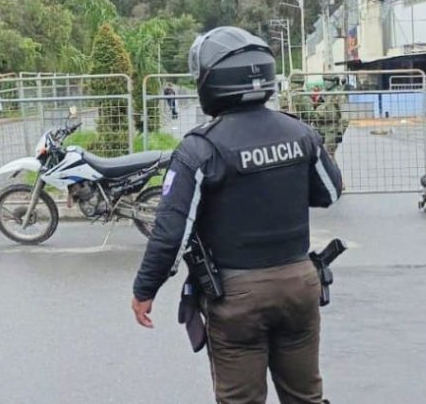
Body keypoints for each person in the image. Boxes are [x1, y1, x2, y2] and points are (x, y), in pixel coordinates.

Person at [131, 27, 343, 404]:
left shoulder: (201, 148)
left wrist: (145, 290)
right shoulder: (300, 133)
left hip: (237, 294)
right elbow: (329, 192)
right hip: (299, 285)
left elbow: (170, 232)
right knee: (307, 397)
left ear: (211, 81)